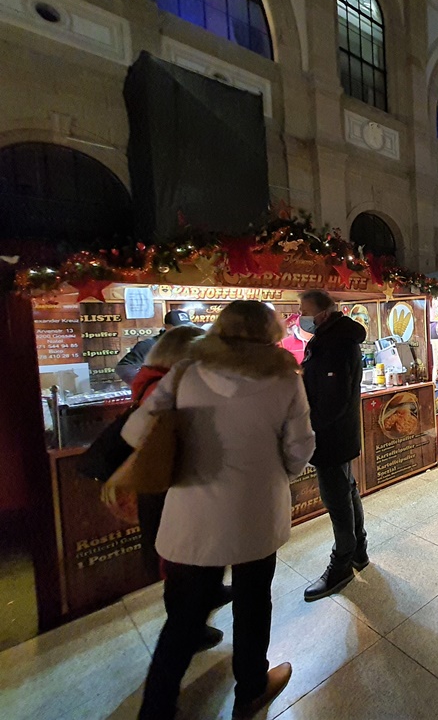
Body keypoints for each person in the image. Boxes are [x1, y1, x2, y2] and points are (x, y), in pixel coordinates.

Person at [123, 301, 315, 720]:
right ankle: (251, 689)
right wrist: (275, 469)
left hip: (192, 513)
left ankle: (156, 710)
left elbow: (136, 430)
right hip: (256, 510)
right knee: (253, 601)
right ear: (271, 332)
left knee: (184, 619)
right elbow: (300, 448)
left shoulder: (185, 372)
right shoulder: (284, 377)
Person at [121, 326, 231, 654]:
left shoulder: (156, 381)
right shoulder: (165, 387)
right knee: (181, 563)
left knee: (190, 558)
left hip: (170, 486)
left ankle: (207, 596)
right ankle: (187, 632)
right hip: (170, 489)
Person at [297, 289, 371, 600]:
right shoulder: (335, 338)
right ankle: (358, 551)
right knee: (347, 488)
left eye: (305, 311)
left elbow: (333, 398)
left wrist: (310, 429)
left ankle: (341, 563)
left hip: (331, 436)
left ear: (323, 313)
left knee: (336, 498)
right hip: (339, 434)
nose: (302, 318)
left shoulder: (335, 342)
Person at [115, 310, 192, 385]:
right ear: (166, 327)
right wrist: (146, 385)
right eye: (178, 328)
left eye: (187, 327)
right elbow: (124, 367)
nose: (183, 331)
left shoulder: (189, 343)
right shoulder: (149, 344)